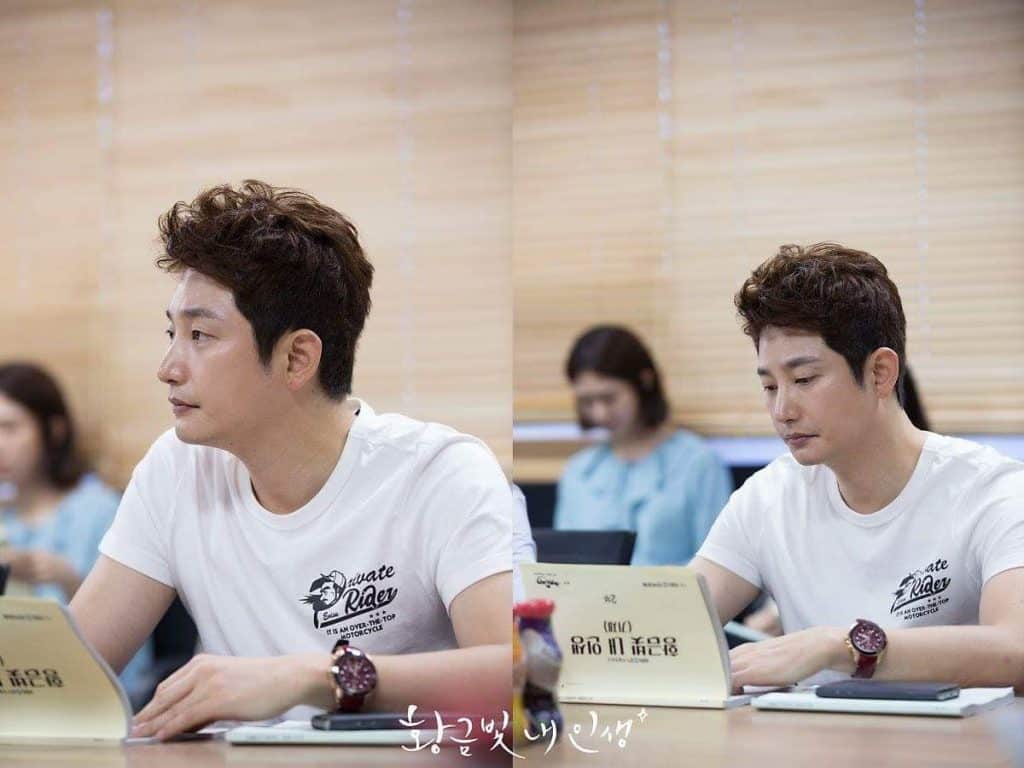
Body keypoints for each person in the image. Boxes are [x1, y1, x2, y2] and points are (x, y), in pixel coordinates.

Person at [69, 180, 512, 740]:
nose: (168, 367)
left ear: (297, 358)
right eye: (171, 332)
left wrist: (310, 677)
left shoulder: (439, 474)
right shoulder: (176, 469)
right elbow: (61, 680)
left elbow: (518, 674)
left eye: (200, 335)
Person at [692, 242, 1024, 691]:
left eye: (804, 379)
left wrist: (841, 647)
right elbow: (670, 628)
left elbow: (1015, 649)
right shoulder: (769, 496)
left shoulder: (993, 490)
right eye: (770, 386)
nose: (782, 410)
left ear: (880, 373)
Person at [0, 362, 153, 703]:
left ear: (53, 430)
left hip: (90, 695)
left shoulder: (98, 509)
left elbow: (125, 644)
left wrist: (68, 580)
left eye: (9, 428)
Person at [553, 325, 732, 565]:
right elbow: (563, 567)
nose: (600, 413)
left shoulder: (698, 463)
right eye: (587, 401)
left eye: (609, 398)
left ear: (644, 382)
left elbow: (719, 564)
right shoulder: (577, 472)